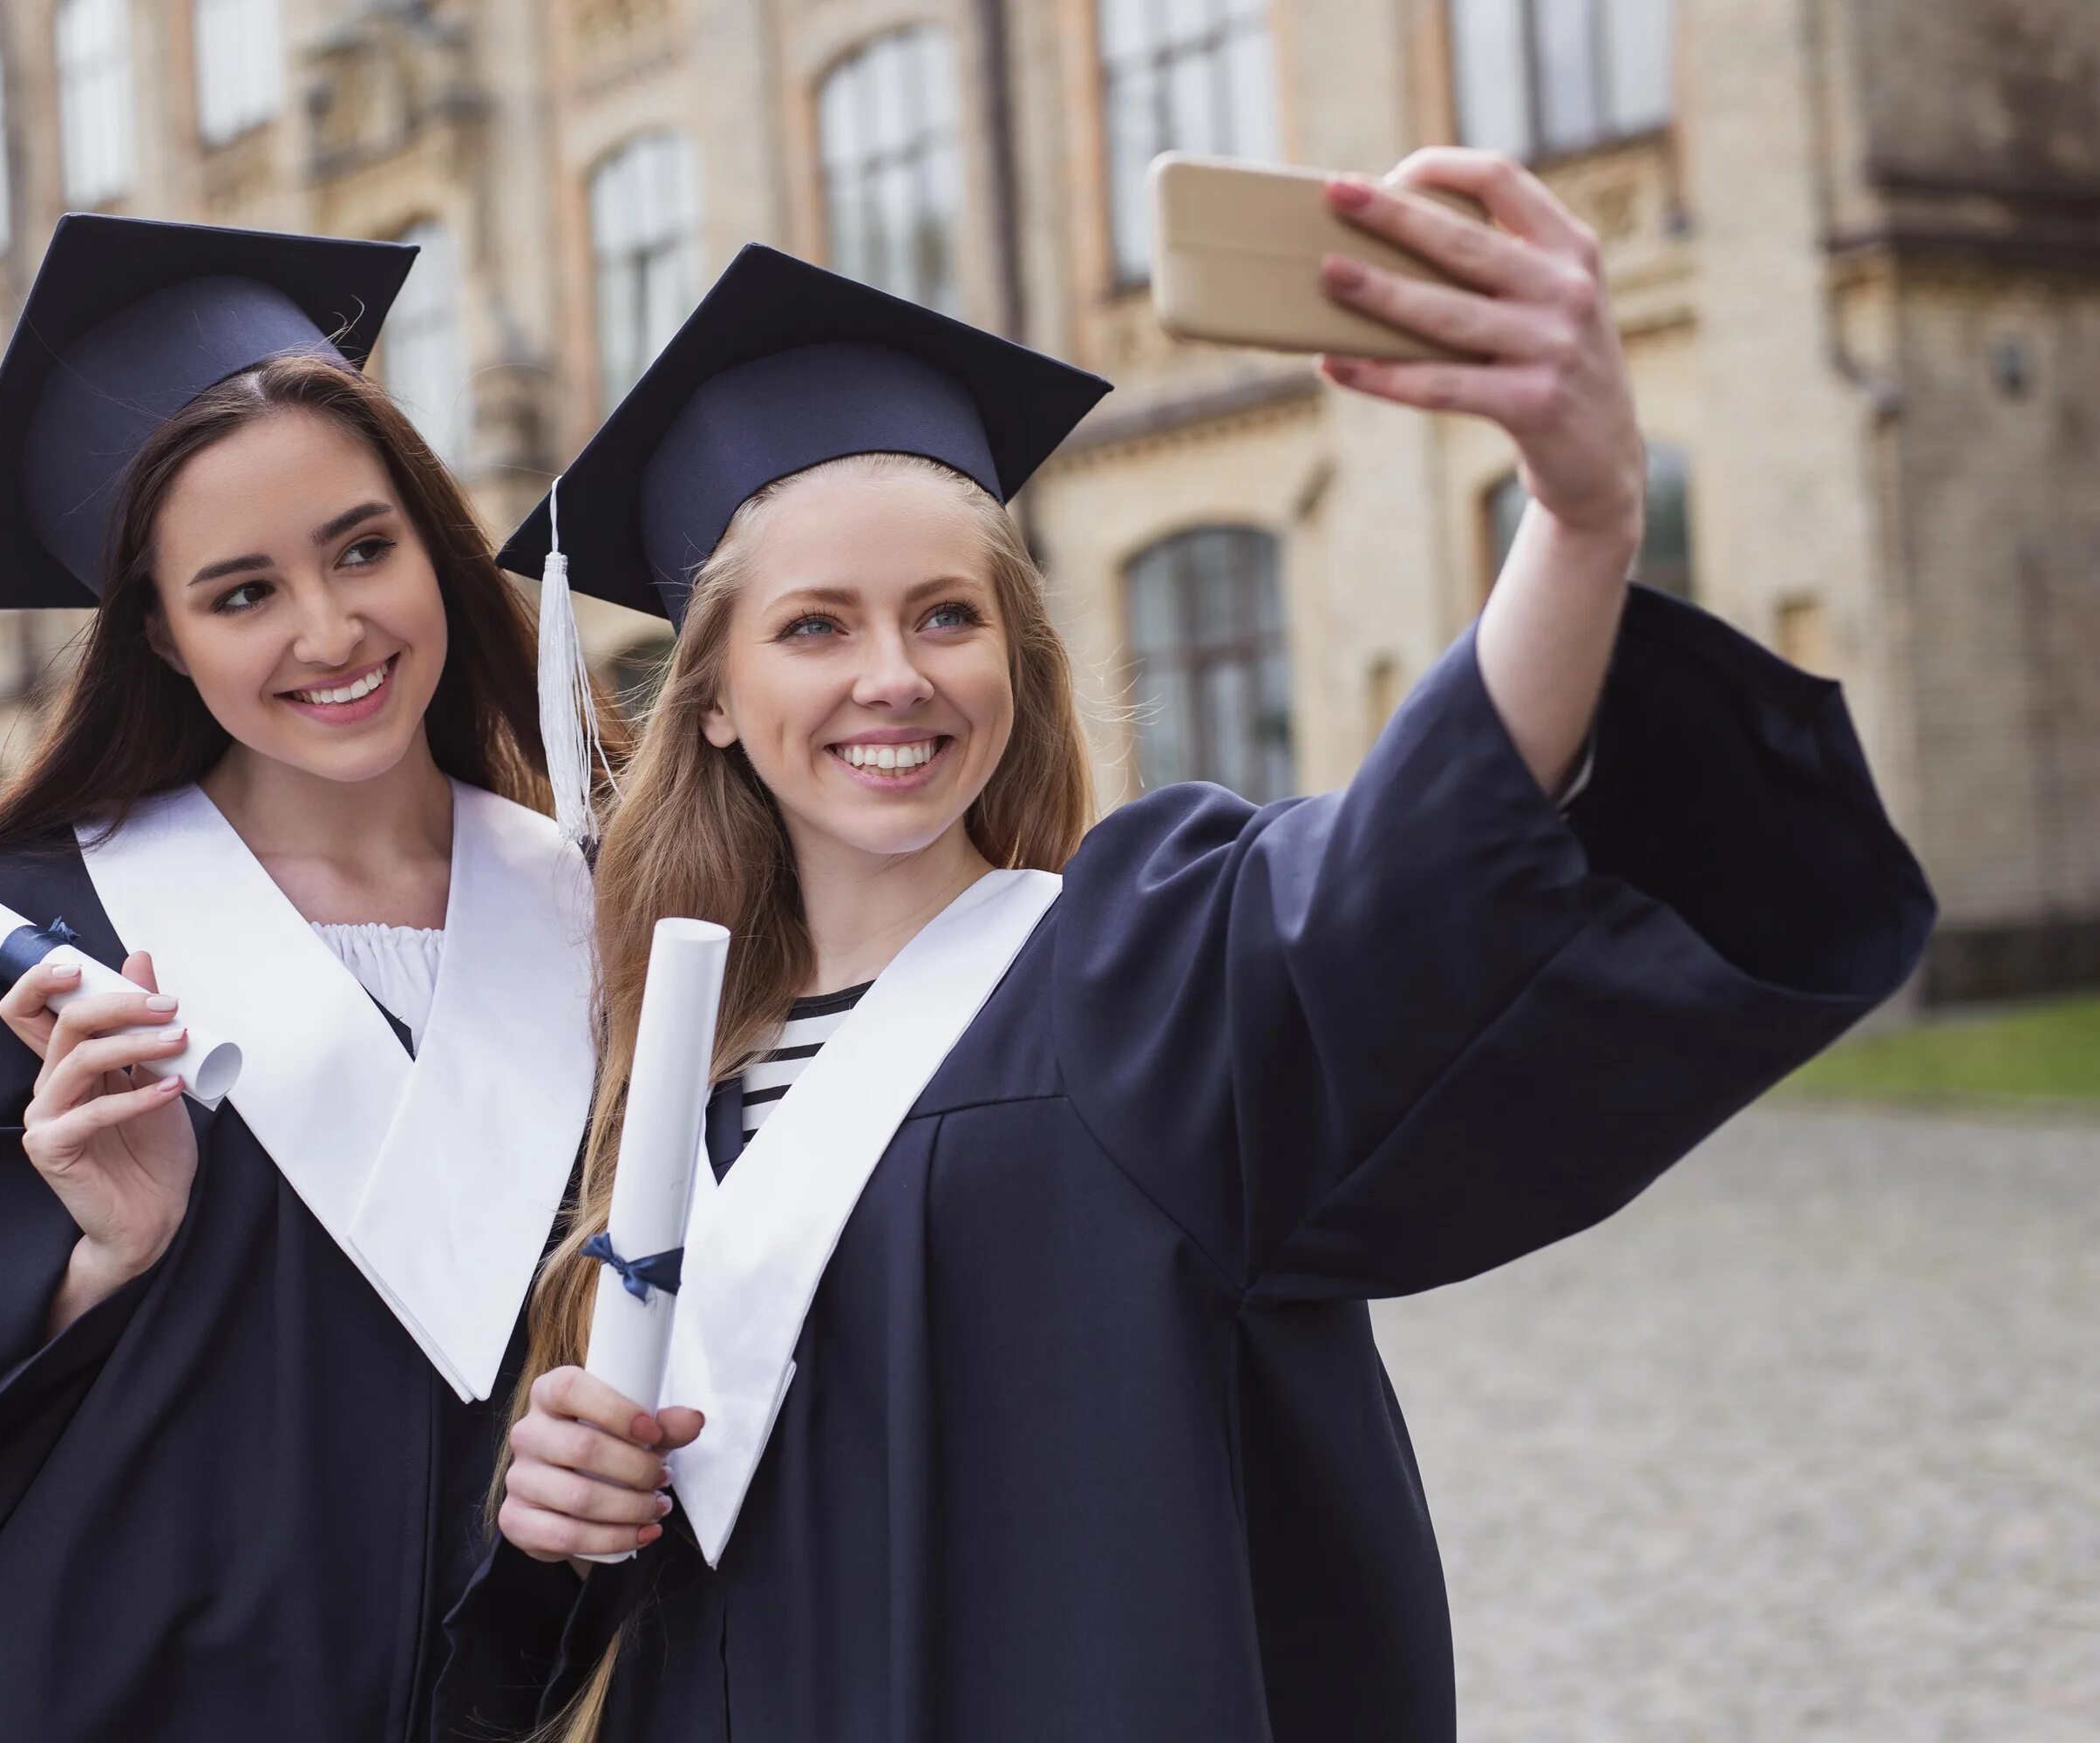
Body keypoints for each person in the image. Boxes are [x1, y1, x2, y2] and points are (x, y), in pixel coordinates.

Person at [446, 153, 1936, 1742]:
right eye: (816, 626)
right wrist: (552, 1513)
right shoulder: (656, 1081)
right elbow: (597, 1596)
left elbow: (1403, 873)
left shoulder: (1147, 965)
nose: (895, 674)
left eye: (949, 616)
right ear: (721, 699)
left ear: (1016, 658)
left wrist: (1580, 514)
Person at [0, 215, 612, 1741]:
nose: (332, 630)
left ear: (435, 541)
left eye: (362, 549)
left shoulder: (598, 922)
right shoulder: (16, 950)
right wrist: (89, 1257)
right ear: (159, 631)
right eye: (241, 592)